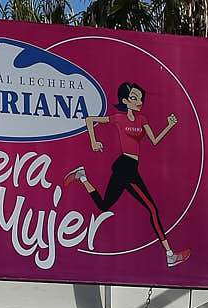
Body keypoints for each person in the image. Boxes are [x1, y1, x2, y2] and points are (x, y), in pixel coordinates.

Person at [64, 81, 190, 268]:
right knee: (152, 209)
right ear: (125, 101)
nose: (139, 101)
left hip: (130, 168)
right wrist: (93, 141)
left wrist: (169, 125)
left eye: (140, 98)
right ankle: (170, 255)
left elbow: (155, 141)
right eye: (134, 98)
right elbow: (90, 120)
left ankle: (82, 177)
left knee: (104, 206)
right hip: (125, 167)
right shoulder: (119, 118)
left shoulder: (142, 119)